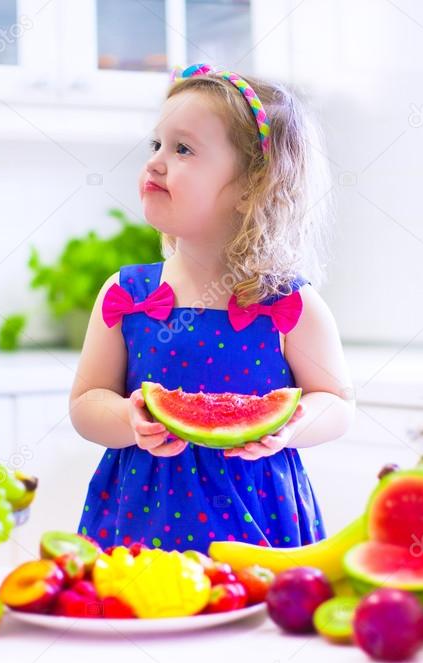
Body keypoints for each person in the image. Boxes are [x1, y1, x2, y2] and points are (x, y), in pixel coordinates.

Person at [69, 64, 355, 552]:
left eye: (183, 149)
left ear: (251, 186)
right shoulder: (128, 294)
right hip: (141, 523)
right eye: (156, 145)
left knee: (256, 625)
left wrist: (289, 425)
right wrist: (126, 420)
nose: (156, 163)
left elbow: (337, 403)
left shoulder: (290, 304)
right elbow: (85, 402)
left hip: (259, 521)